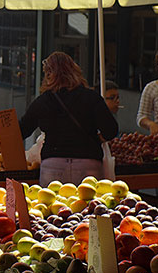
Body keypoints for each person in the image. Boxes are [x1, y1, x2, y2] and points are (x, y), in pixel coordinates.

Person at [18, 52, 118, 185]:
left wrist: (1, 145)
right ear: (74, 71)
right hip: (88, 164)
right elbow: (111, 130)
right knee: (88, 205)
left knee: (53, 205)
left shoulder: (43, 101)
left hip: (53, 165)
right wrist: (94, 140)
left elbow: (21, 131)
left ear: (49, 74)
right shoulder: (91, 98)